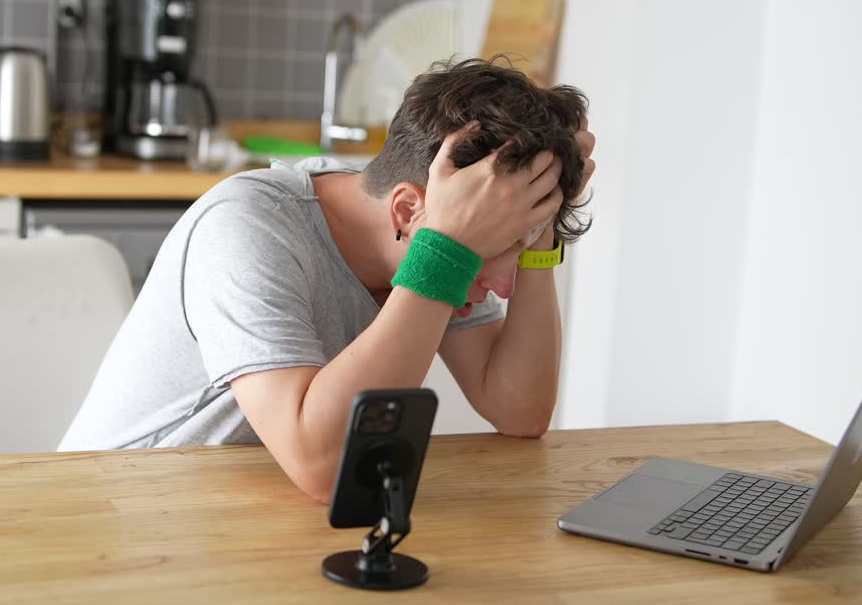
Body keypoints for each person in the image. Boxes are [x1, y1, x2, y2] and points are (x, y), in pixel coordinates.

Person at [59, 58, 597, 503]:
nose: (505, 285)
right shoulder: (246, 226)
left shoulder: (438, 238)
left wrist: (537, 234)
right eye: (500, 251)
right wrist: (445, 255)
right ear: (410, 210)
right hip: (113, 512)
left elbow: (519, 409)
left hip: (237, 517)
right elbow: (323, 465)